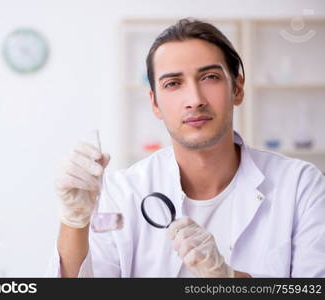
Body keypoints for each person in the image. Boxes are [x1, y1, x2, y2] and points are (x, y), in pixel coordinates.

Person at [47, 18, 325, 277]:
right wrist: (74, 222)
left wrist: (228, 279)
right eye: (173, 83)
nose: (194, 99)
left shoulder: (300, 185)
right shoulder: (122, 194)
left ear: (237, 88)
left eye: (210, 77)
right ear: (154, 103)